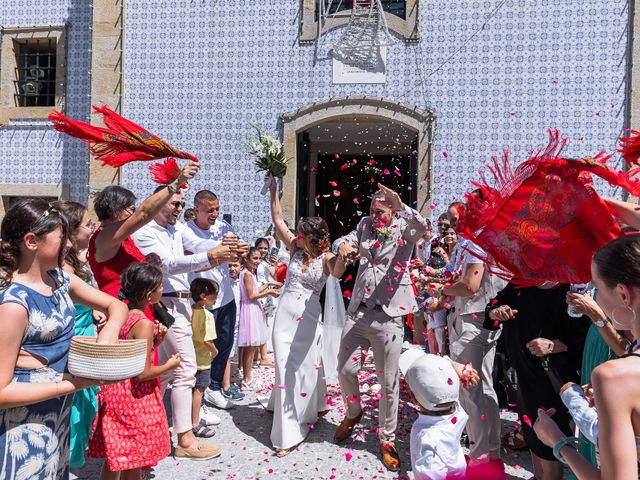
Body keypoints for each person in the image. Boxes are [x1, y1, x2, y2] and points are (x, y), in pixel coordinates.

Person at [0, 199, 128, 479]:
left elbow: (116, 306)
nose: (69, 245)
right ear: (31, 241)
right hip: (21, 432)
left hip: (56, 422)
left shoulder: (59, 281)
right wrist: (73, 384)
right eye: (62, 238)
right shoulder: (13, 305)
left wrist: (107, 337)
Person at [333, 184, 430, 472]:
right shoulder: (364, 225)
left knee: (387, 384)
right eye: (372, 211)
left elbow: (423, 228)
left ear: (392, 210)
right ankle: (354, 412)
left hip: (389, 316)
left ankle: (386, 439)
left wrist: (403, 207)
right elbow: (343, 239)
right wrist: (344, 246)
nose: (375, 216)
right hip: (358, 313)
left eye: (381, 211)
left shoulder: (404, 228)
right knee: (345, 369)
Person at [132, 187, 233, 460]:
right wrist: (213, 256)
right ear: (156, 203)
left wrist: (226, 248)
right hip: (165, 304)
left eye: (181, 204)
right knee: (186, 369)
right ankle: (185, 439)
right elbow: (168, 264)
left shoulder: (176, 229)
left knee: (164, 374)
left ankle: (149, 426)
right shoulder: (144, 231)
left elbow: (198, 245)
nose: (179, 209)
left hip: (180, 304)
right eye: (174, 203)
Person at [533, 235, 640, 478]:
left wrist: (558, 442)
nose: (596, 297)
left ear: (623, 295)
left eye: (597, 288)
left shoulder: (614, 377)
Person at [265, 175, 345, 456]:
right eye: (297, 233)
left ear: (314, 237)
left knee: (302, 368)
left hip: (308, 319)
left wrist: (344, 254)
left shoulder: (326, 258)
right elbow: (277, 220)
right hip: (284, 315)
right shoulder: (295, 248)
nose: (296, 236)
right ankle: (286, 433)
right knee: (285, 366)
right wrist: (274, 190)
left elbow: (337, 272)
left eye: (301, 233)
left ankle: (308, 405)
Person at [486, 282, 589, 480]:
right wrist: (497, 312)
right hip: (523, 373)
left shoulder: (570, 290)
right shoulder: (520, 283)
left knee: (550, 438)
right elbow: (492, 308)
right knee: (531, 430)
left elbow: (582, 334)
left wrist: (553, 345)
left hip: (551, 377)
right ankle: (538, 475)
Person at [88, 262, 180, 479]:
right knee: (134, 456)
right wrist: (170, 365)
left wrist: (157, 342)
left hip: (116, 391)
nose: (162, 289)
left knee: (118, 456)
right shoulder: (143, 323)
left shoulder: (122, 315)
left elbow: (130, 355)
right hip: (134, 397)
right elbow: (143, 372)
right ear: (149, 295)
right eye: (160, 287)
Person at [439, 201, 507, 464]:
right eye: (451, 221)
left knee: (469, 388)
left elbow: (469, 285)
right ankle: (492, 451)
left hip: (472, 320)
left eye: (456, 220)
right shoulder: (484, 242)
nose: (453, 226)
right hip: (483, 319)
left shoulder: (475, 245)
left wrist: (441, 290)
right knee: (486, 384)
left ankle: (479, 457)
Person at [88, 163, 198, 299]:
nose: (134, 215)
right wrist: (176, 182)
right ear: (115, 209)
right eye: (132, 210)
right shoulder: (104, 236)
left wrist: (147, 265)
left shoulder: (124, 238)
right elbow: (144, 213)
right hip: (121, 307)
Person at [183, 190, 247, 409]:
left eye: (217, 209)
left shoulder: (223, 227)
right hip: (202, 298)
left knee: (225, 342)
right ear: (196, 210)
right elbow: (199, 251)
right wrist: (224, 249)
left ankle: (214, 386)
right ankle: (196, 393)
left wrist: (240, 250)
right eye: (209, 210)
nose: (215, 214)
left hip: (225, 295)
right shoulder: (186, 231)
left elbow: (234, 256)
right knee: (201, 346)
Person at [53, 200, 101, 469]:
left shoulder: (81, 260)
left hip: (87, 334)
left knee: (83, 406)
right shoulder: (65, 271)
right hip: (74, 342)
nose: (92, 227)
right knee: (72, 408)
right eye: (88, 224)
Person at [399, 349, 468, 480]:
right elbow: (447, 391)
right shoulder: (457, 411)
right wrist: (451, 365)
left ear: (413, 398)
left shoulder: (428, 439)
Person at [237, 247, 280, 386]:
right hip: (250, 310)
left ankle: (244, 373)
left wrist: (268, 285)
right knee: (250, 347)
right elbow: (251, 295)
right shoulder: (248, 274)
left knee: (249, 346)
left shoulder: (248, 272)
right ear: (247, 258)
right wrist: (270, 292)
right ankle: (247, 378)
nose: (258, 261)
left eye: (259, 258)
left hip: (251, 308)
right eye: (255, 258)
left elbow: (255, 290)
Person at [190, 278, 220, 437]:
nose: (216, 298)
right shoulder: (207, 315)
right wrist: (215, 352)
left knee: (190, 389)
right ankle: (195, 422)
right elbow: (207, 340)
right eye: (214, 296)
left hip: (190, 356)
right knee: (199, 390)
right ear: (203, 296)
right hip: (202, 359)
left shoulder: (189, 311)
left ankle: (188, 419)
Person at [255, 236, 276, 364]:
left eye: (265, 248)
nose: (263, 251)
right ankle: (259, 355)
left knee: (264, 323)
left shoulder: (267, 263)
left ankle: (262, 354)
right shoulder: (253, 260)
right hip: (257, 292)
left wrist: (274, 264)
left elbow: (274, 274)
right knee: (257, 323)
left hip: (267, 293)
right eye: (260, 248)